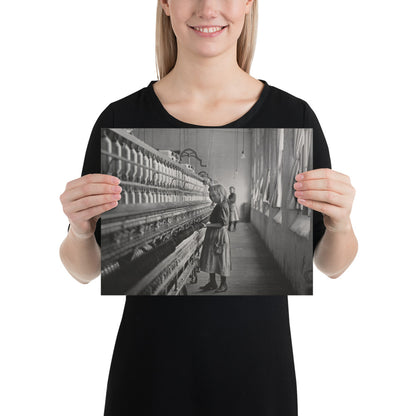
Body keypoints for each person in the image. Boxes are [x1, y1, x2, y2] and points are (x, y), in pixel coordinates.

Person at [59, 1, 358, 414]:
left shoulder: (294, 115)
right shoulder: (121, 118)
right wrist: (79, 230)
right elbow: (84, 269)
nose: (208, 7)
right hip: (150, 380)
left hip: (255, 380)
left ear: (250, 4)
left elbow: (332, 264)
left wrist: (340, 225)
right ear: (165, 4)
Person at [199, 184, 232, 292]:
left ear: (220, 194)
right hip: (214, 235)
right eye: (210, 196)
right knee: (212, 258)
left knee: (220, 260)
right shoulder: (220, 204)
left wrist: (206, 225)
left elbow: (222, 223)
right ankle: (212, 283)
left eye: (213, 196)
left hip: (219, 235)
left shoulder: (222, 205)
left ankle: (223, 284)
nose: (211, 198)